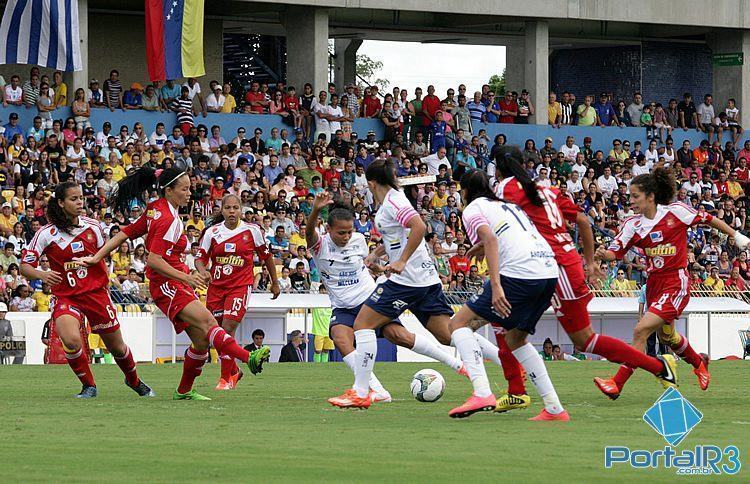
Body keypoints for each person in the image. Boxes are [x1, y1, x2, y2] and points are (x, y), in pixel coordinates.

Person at [488, 146, 677, 410]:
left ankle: (658, 366)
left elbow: (495, 228)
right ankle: (517, 391)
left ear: (497, 169)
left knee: (584, 340)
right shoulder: (547, 189)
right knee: (503, 325)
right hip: (547, 267)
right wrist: (588, 263)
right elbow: (583, 221)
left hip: (555, 269)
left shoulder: (505, 189)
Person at [76, 168, 270, 401]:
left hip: (174, 283)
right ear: (169, 191)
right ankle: (249, 358)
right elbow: (154, 260)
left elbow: (125, 233)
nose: (189, 193)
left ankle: (184, 390)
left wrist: (97, 256)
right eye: (184, 189)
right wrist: (186, 277)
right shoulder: (167, 219)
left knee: (200, 341)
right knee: (209, 322)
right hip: (168, 285)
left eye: (190, 188)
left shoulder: (156, 209)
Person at [328, 160, 502, 409]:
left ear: (371, 183)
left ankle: (361, 391)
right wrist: (377, 254)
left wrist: (401, 261)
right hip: (424, 278)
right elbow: (397, 235)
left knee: (362, 324)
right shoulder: (393, 199)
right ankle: (506, 361)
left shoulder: (393, 201)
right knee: (448, 333)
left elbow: (419, 226)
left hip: (407, 279)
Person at [593, 167, 749, 398]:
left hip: (676, 281)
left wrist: (735, 236)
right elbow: (615, 253)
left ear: (651, 196)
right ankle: (699, 362)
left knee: (640, 330)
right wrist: (601, 254)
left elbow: (710, 219)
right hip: (654, 283)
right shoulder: (631, 225)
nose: (631, 201)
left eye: (635, 196)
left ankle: (617, 384)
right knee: (667, 337)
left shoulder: (676, 212)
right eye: (630, 196)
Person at [309, 193, 471, 404]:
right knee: (340, 338)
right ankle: (377, 390)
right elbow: (309, 233)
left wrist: (376, 261)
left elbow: (375, 254)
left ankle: (457, 364)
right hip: (342, 306)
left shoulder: (358, 240)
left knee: (399, 336)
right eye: (341, 233)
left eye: (349, 231)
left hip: (369, 299)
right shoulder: (320, 245)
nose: (346, 237)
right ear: (328, 229)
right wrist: (314, 210)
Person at [446, 170, 566, 420]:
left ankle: (481, 392)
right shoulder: (506, 205)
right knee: (515, 339)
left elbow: (489, 237)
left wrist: (497, 285)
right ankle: (554, 408)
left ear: (465, 190)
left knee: (458, 324)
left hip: (518, 275)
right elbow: (509, 236)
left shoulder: (471, 209)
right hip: (547, 272)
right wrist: (483, 245)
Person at [20, 181, 154, 398]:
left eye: (81, 198)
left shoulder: (93, 227)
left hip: (96, 294)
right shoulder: (46, 233)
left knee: (117, 348)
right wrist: (42, 274)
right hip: (66, 296)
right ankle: (89, 386)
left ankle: (134, 380)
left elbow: (105, 253)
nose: (80, 202)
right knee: (71, 340)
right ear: (61, 203)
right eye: (74, 199)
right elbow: (25, 266)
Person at [195, 194, 281, 390]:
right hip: (216, 288)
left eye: (235, 208)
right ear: (222, 210)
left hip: (240, 287)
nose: (232, 211)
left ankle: (226, 379)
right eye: (228, 208)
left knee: (227, 329)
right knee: (216, 334)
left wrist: (275, 282)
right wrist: (203, 271)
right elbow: (200, 258)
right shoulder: (212, 232)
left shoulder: (252, 231)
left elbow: (266, 257)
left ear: (241, 210)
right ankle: (235, 370)